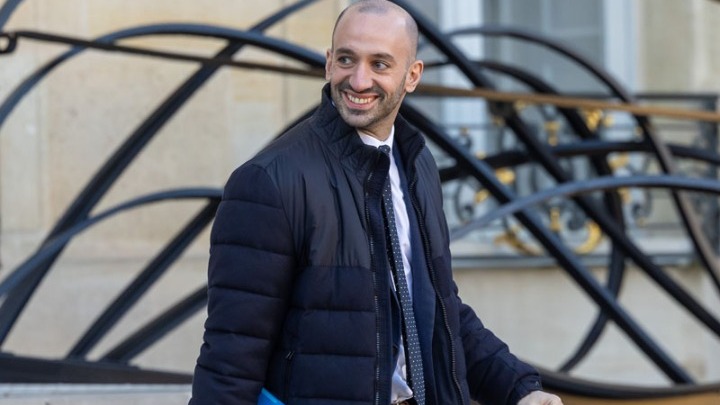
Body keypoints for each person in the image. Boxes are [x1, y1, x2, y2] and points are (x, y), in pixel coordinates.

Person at [190, 1, 563, 404]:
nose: (359, 80)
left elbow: (439, 309)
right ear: (329, 62)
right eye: (346, 59)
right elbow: (231, 358)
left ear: (412, 75)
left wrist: (519, 389)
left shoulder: (418, 164)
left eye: (380, 64)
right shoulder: (269, 181)